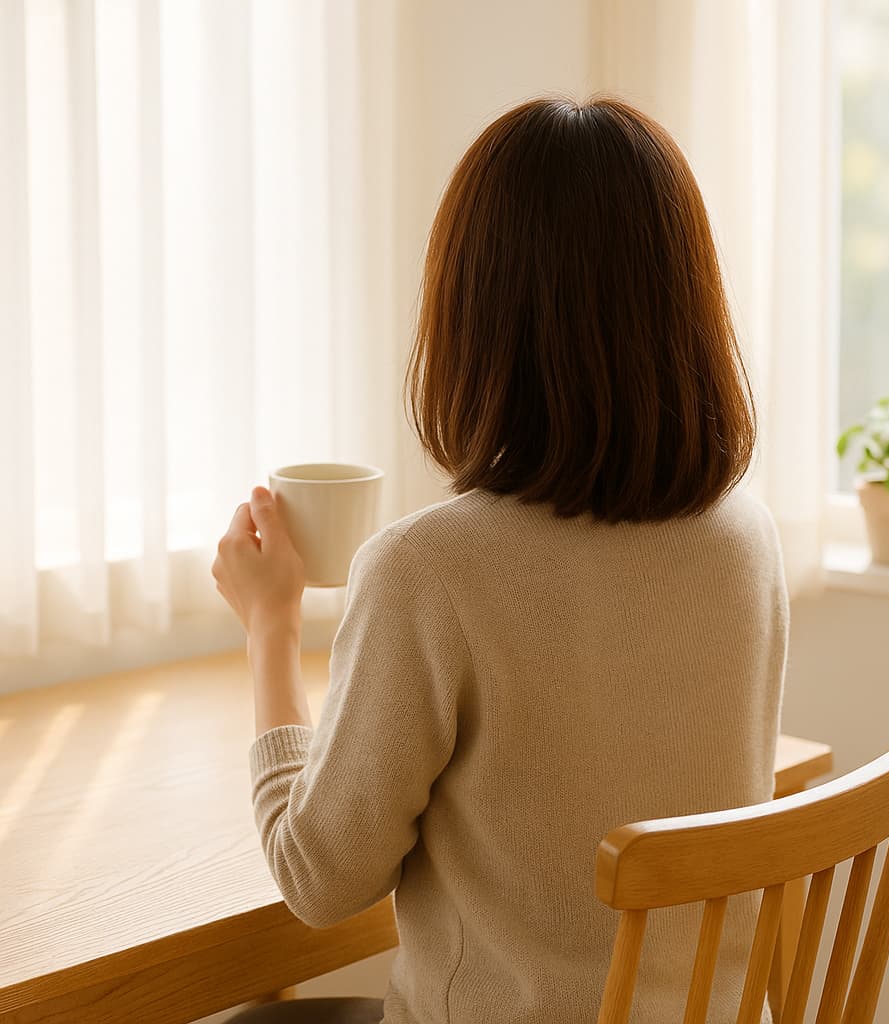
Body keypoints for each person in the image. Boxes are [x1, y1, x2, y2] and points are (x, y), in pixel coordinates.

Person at [213, 94, 787, 1024]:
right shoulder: (746, 537)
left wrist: (270, 626)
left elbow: (318, 880)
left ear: (472, 313)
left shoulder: (430, 567)